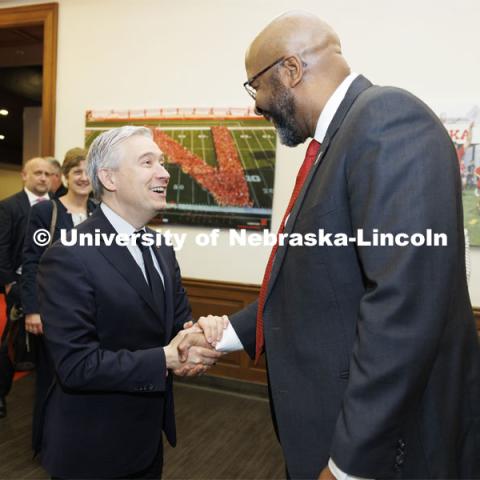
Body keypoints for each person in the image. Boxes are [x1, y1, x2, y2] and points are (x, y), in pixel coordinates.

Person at [179, 11, 480, 479]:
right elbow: (314, 286)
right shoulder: (338, 140)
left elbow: (405, 304)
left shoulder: (384, 119)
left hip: (384, 449)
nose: (257, 105)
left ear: (291, 70)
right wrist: (222, 337)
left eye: (254, 86)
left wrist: (347, 466)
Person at [36, 126, 222, 479]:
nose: (164, 172)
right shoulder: (68, 254)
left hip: (146, 444)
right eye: (147, 162)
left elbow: (176, 329)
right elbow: (76, 366)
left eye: (162, 162)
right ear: (109, 177)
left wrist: (201, 333)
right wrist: (166, 358)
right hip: (92, 451)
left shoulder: (161, 248)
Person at [21, 148, 96, 451]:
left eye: (87, 170)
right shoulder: (46, 212)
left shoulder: (100, 212)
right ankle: (46, 445)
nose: (82, 177)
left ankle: (76, 444)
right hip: (53, 314)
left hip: (90, 314)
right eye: (76, 171)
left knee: (86, 382)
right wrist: (32, 311)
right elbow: (31, 263)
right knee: (51, 383)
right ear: (64, 176)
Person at [0, 157, 51, 419]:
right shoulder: (9, 207)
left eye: (47, 173)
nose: (43, 178)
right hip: (19, 286)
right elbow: (2, 248)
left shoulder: (57, 208)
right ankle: (0, 394)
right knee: (12, 345)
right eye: (37, 173)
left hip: (52, 288)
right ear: (24, 175)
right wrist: (9, 283)